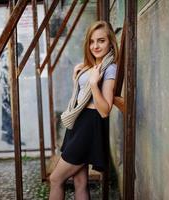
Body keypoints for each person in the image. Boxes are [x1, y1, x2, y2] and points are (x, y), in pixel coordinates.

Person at [49, 20, 119, 200]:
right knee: (80, 182)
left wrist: (94, 84)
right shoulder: (92, 66)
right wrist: (77, 78)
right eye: (92, 41)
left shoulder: (109, 68)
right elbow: (81, 96)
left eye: (101, 41)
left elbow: (104, 110)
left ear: (111, 42)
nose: (95, 46)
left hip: (89, 125)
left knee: (56, 179)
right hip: (79, 123)